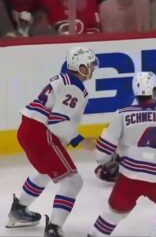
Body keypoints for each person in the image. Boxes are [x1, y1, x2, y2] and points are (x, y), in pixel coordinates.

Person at [88, 71, 156, 237]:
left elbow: (101, 154)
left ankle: (96, 234)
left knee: (114, 211)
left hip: (130, 179)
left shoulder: (122, 114)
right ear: (155, 90)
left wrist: (111, 161)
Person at [5, 46, 98, 237]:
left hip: (27, 129)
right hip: (40, 132)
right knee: (73, 181)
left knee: (46, 171)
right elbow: (58, 121)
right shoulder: (75, 87)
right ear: (80, 67)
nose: (92, 68)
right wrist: (81, 140)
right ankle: (54, 228)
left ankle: (19, 209)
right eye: (89, 65)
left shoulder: (62, 80)